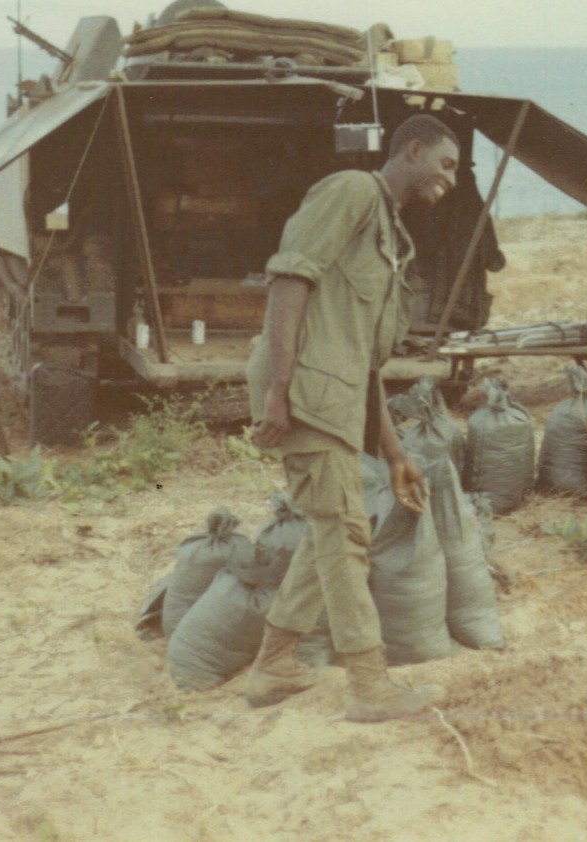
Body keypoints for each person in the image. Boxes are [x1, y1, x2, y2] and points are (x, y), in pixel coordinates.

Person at [243, 114, 460, 722]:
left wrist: (394, 453)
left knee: (330, 527)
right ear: (411, 149)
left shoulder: (389, 235)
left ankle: (273, 665)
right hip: (306, 394)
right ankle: (369, 686)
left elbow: (362, 359)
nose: (452, 179)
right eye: (445, 163)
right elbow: (289, 280)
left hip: (331, 396)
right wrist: (279, 393)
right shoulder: (352, 191)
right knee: (343, 531)